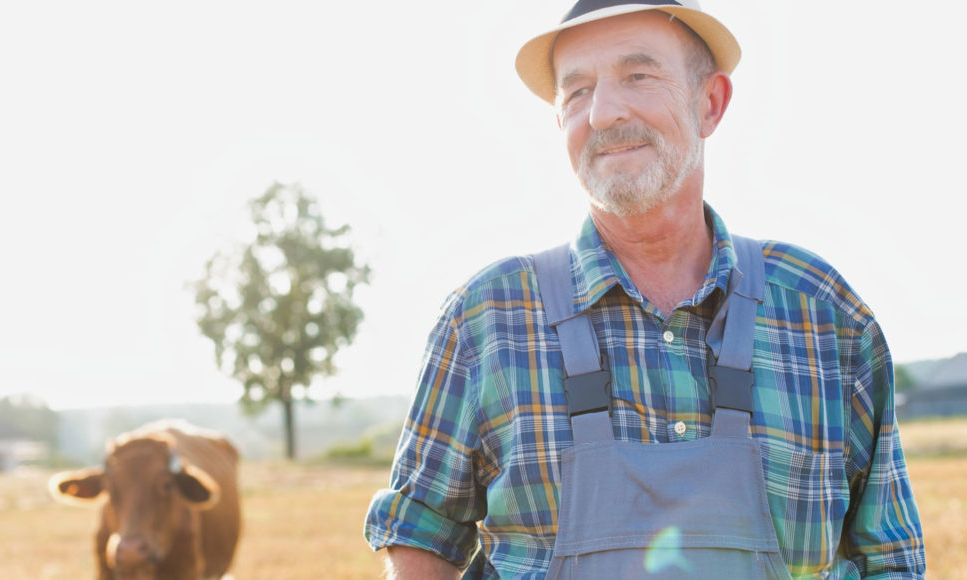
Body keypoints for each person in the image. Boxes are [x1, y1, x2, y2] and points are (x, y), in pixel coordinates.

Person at [363, 1, 926, 578]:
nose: (603, 113)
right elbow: (420, 541)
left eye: (638, 76)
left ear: (710, 103)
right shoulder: (486, 320)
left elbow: (889, 559)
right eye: (576, 92)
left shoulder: (823, 315)